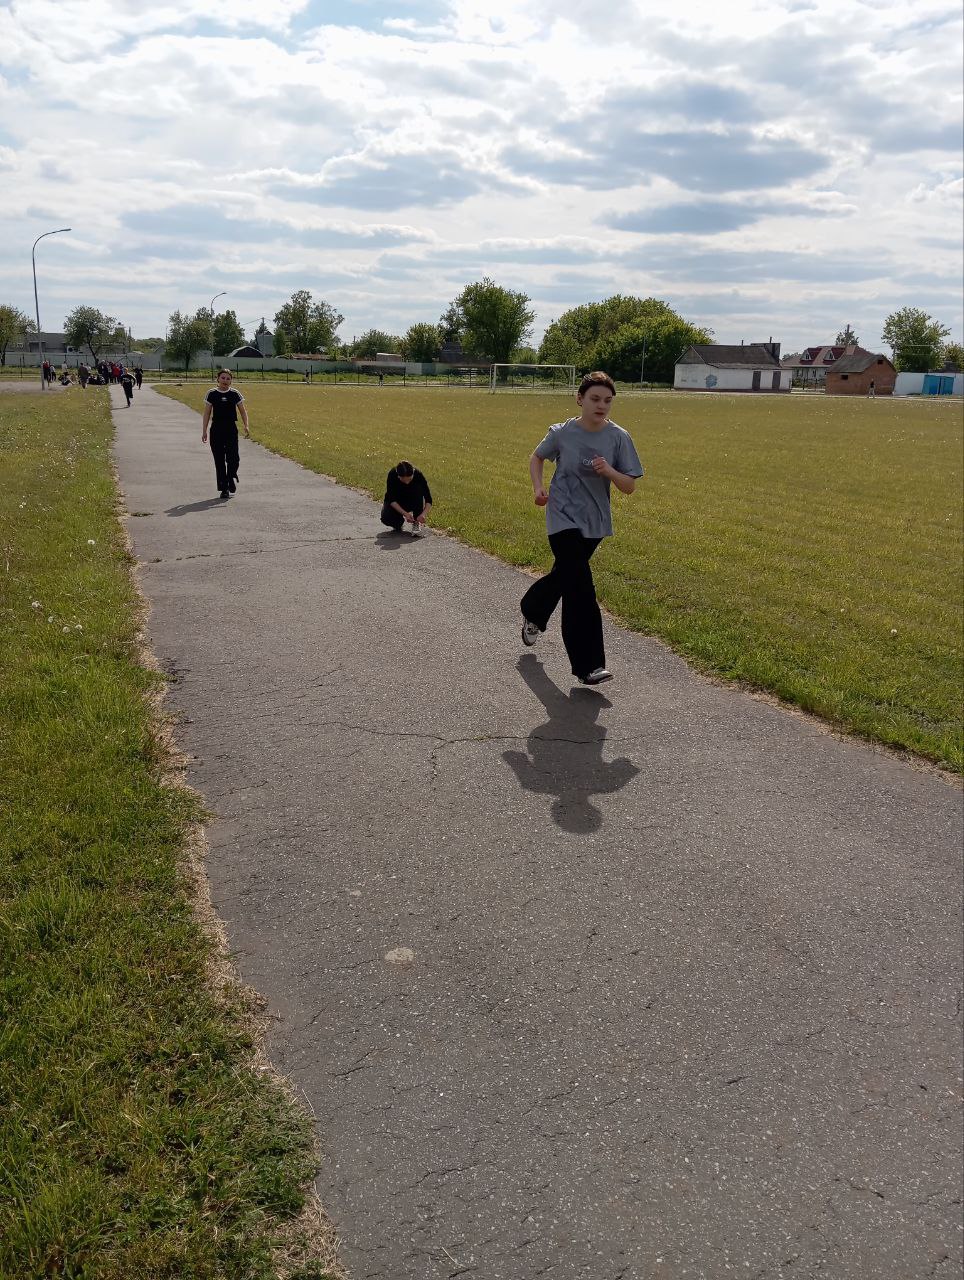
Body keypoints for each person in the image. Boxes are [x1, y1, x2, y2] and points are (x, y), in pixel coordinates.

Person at [520, 370, 643, 687]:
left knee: (566, 575)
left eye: (607, 401)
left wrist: (610, 471)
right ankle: (589, 665)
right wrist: (538, 487)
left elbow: (628, 486)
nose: (601, 405)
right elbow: (537, 457)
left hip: (595, 521)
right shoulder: (562, 433)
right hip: (561, 515)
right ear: (580, 399)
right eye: (595, 399)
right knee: (581, 587)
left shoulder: (618, 437)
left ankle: (534, 609)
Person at [202, 369, 250, 500]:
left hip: (231, 429)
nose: (225, 381)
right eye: (223, 378)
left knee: (234, 458)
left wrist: (246, 425)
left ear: (231, 381)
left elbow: (243, 411)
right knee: (219, 460)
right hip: (216, 429)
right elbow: (206, 413)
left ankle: (231, 477)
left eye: (228, 378)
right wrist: (204, 430)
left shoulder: (235, 394)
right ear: (217, 379)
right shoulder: (211, 394)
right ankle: (224, 488)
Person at [380, 460, 432, 534]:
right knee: (386, 518)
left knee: (418, 491)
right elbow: (391, 499)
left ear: (413, 473)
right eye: (403, 480)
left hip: (413, 500)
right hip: (397, 501)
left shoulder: (418, 475)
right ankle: (398, 523)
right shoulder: (392, 474)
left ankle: (416, 522)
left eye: (409, 479)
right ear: (398, 475)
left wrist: (423, 514)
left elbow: (428, 499)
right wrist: (405, 514)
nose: (407, 483)